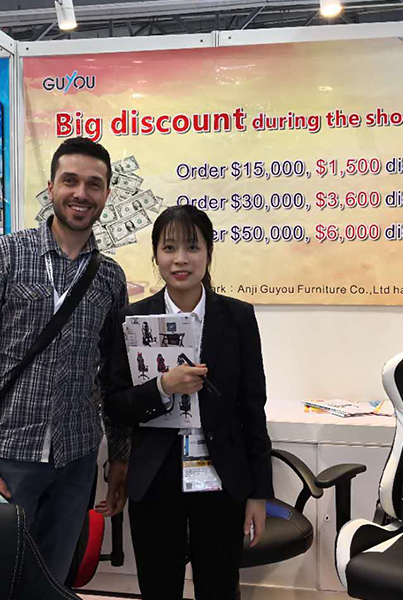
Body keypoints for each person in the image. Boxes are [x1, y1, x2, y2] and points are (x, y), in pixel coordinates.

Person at [0, 137, 130, 582]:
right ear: (51, 187)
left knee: (51, 579)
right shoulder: (4, 255)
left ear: (106, 194)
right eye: (70, 181)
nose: (81, 193)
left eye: (94, 184)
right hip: (5, 458)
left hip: (76, 461)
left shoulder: (110, 277)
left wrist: (120, 457)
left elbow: (114, 378)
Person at [102, 205, 273, 600]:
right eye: (169, 248)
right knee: (159, 589)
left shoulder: (238, 318)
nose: (181, 259)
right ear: (155, 255)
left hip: (220, 479)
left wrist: (258, 493)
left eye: (192, 247)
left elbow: (253, 408)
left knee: (219, 588)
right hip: (156, 479)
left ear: (209, 253)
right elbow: (115, 405)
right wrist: (162, 386)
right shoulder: (132, 319)